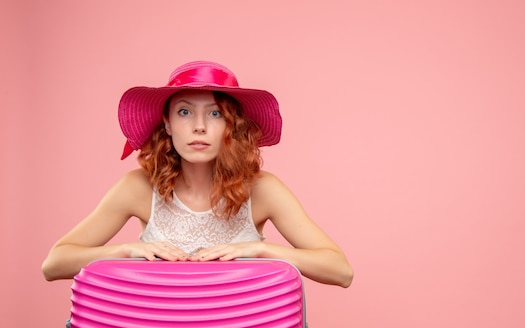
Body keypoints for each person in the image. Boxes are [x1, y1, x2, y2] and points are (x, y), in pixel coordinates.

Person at [41, 61, 353, 287]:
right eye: (185, 112)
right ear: (167, 123)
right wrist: (127, 251)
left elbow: (340, 271)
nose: (199, 126)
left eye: (215, 113)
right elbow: (54, 264)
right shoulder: (137, 188)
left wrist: (260, 250)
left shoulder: (262, 190)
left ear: (232, 125)